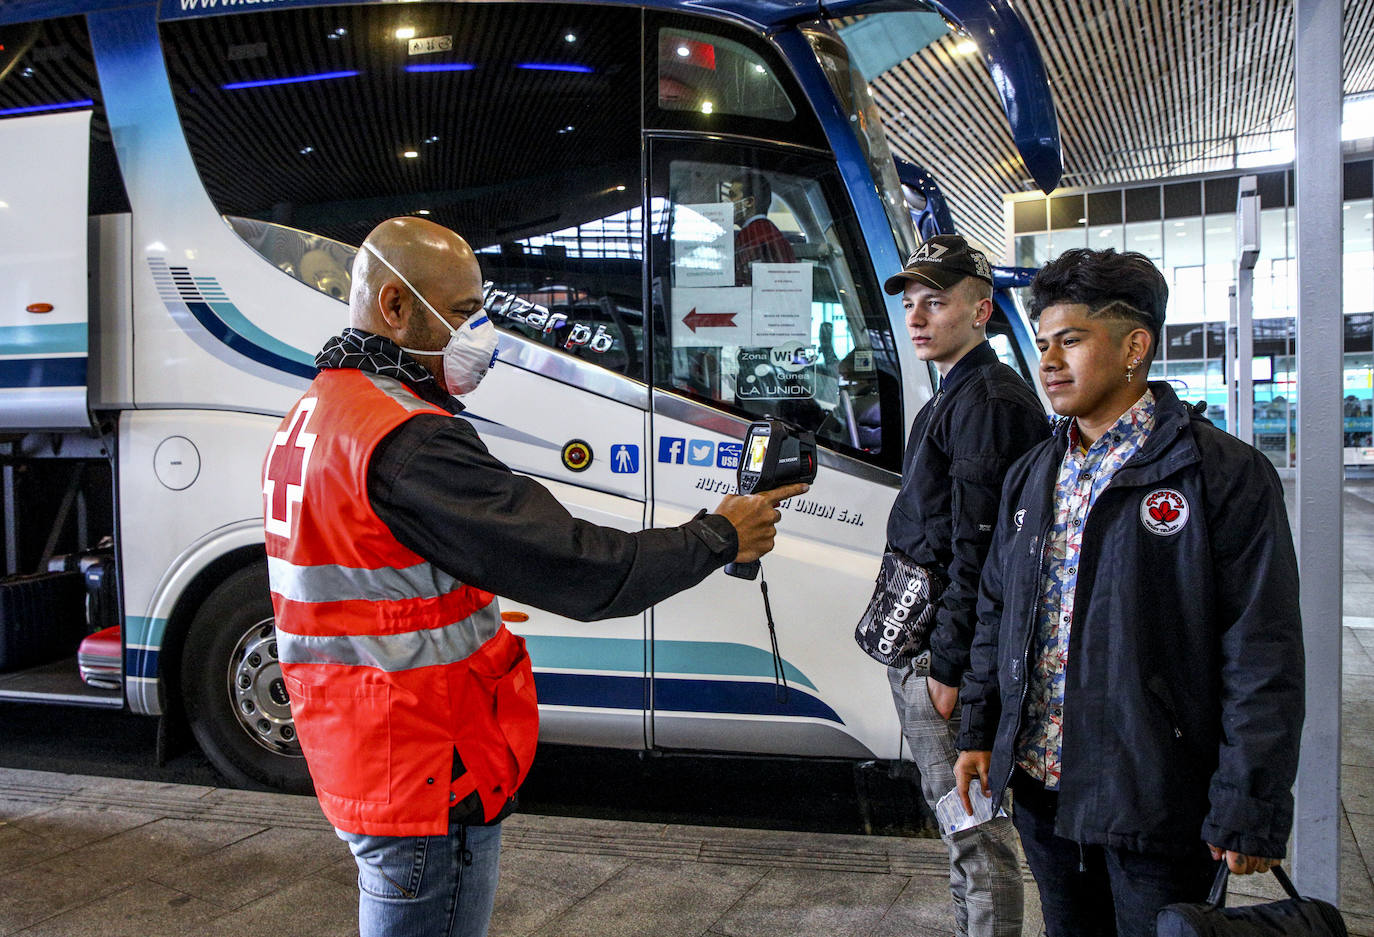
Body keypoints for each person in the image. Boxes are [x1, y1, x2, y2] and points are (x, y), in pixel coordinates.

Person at [261, 217, 807, 937]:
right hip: (426, 763)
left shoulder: (318, 412)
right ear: (396, 307)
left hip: (365, 748)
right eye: (461, 313)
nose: (477, 333)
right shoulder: (409, 439)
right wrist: (717, 534)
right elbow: (582, 569)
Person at [954, 248, 1304, 937]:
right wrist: (977, 727)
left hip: (1157, 798)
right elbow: (996, 607)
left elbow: (1261, 651)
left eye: (1073, 340)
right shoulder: (1033, 472)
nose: (1050, 360)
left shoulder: (1222, 475)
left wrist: (1249, 801)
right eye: (1044, 342)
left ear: (1135, 346)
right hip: (1044, 789)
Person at [880, 234, 1049, 936]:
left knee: (974, 834)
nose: (918, 317)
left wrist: (949, 668)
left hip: (942, 661)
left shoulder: (987, 399)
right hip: (927, 649)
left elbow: (980, 550)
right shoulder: (960, 392)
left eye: (937, 302)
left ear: (981, 310)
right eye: (913, 303)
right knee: (963, 828)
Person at [727, 170, 796, 283]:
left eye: (732, 196)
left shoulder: (752, 236)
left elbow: (743, 282)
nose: (728, 202)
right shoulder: (769, 232)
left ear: (749, 202)